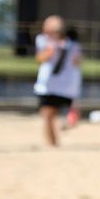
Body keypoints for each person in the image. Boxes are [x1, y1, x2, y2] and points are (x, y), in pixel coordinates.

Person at [32, 15, 82, 148]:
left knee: (56, 113)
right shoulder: (43, 41)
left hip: (64, 85)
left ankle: (54, 140)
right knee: (47, 113)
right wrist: (53, 49)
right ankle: (51, 142)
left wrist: (66, 49)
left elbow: (77, 62)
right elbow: (40, 57)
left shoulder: (72, 45)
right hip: (48, 83)